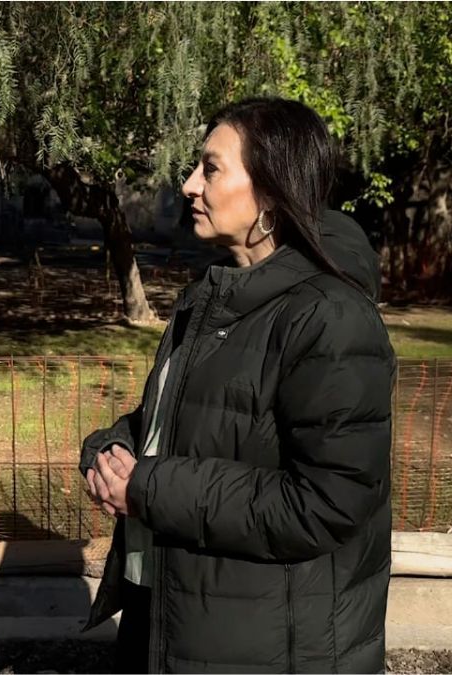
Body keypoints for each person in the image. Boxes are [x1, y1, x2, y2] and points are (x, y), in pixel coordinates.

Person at [80, 97, 395, 673]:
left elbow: (325, 503)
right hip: (182, 622)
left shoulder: (329, 318)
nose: (188, 184)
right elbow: (184, 418)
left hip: (272, 647)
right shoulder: (213, 300)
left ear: (271, 192)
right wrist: (111, 450)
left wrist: (148, 490)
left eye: (211, 167)